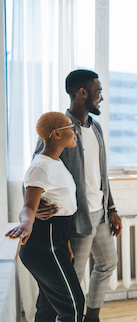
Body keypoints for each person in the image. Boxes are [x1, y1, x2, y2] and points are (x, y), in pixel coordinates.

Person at [33, 69, 122, 322]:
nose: (101, 97)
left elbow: (101, 174)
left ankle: (91, 318)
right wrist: (35, 205)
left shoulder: (96, 128)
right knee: (72, 281)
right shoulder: (60, 129)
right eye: (98, 92)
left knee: (107, 264)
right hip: (77, 220)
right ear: (82, 93)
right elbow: (36, 168)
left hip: (101, 214)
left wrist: (112, 208)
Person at [6, 112, 85, 322]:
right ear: (57, 134)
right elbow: (29, 206)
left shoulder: (56, 163)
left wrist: (65, 243)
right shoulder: (39, 166)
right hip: (44, 246)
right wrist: (26, 222)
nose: (75, 131)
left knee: (48, 308)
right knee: (74, 307)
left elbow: (63, 209)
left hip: (54, 241)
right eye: (70, 127)